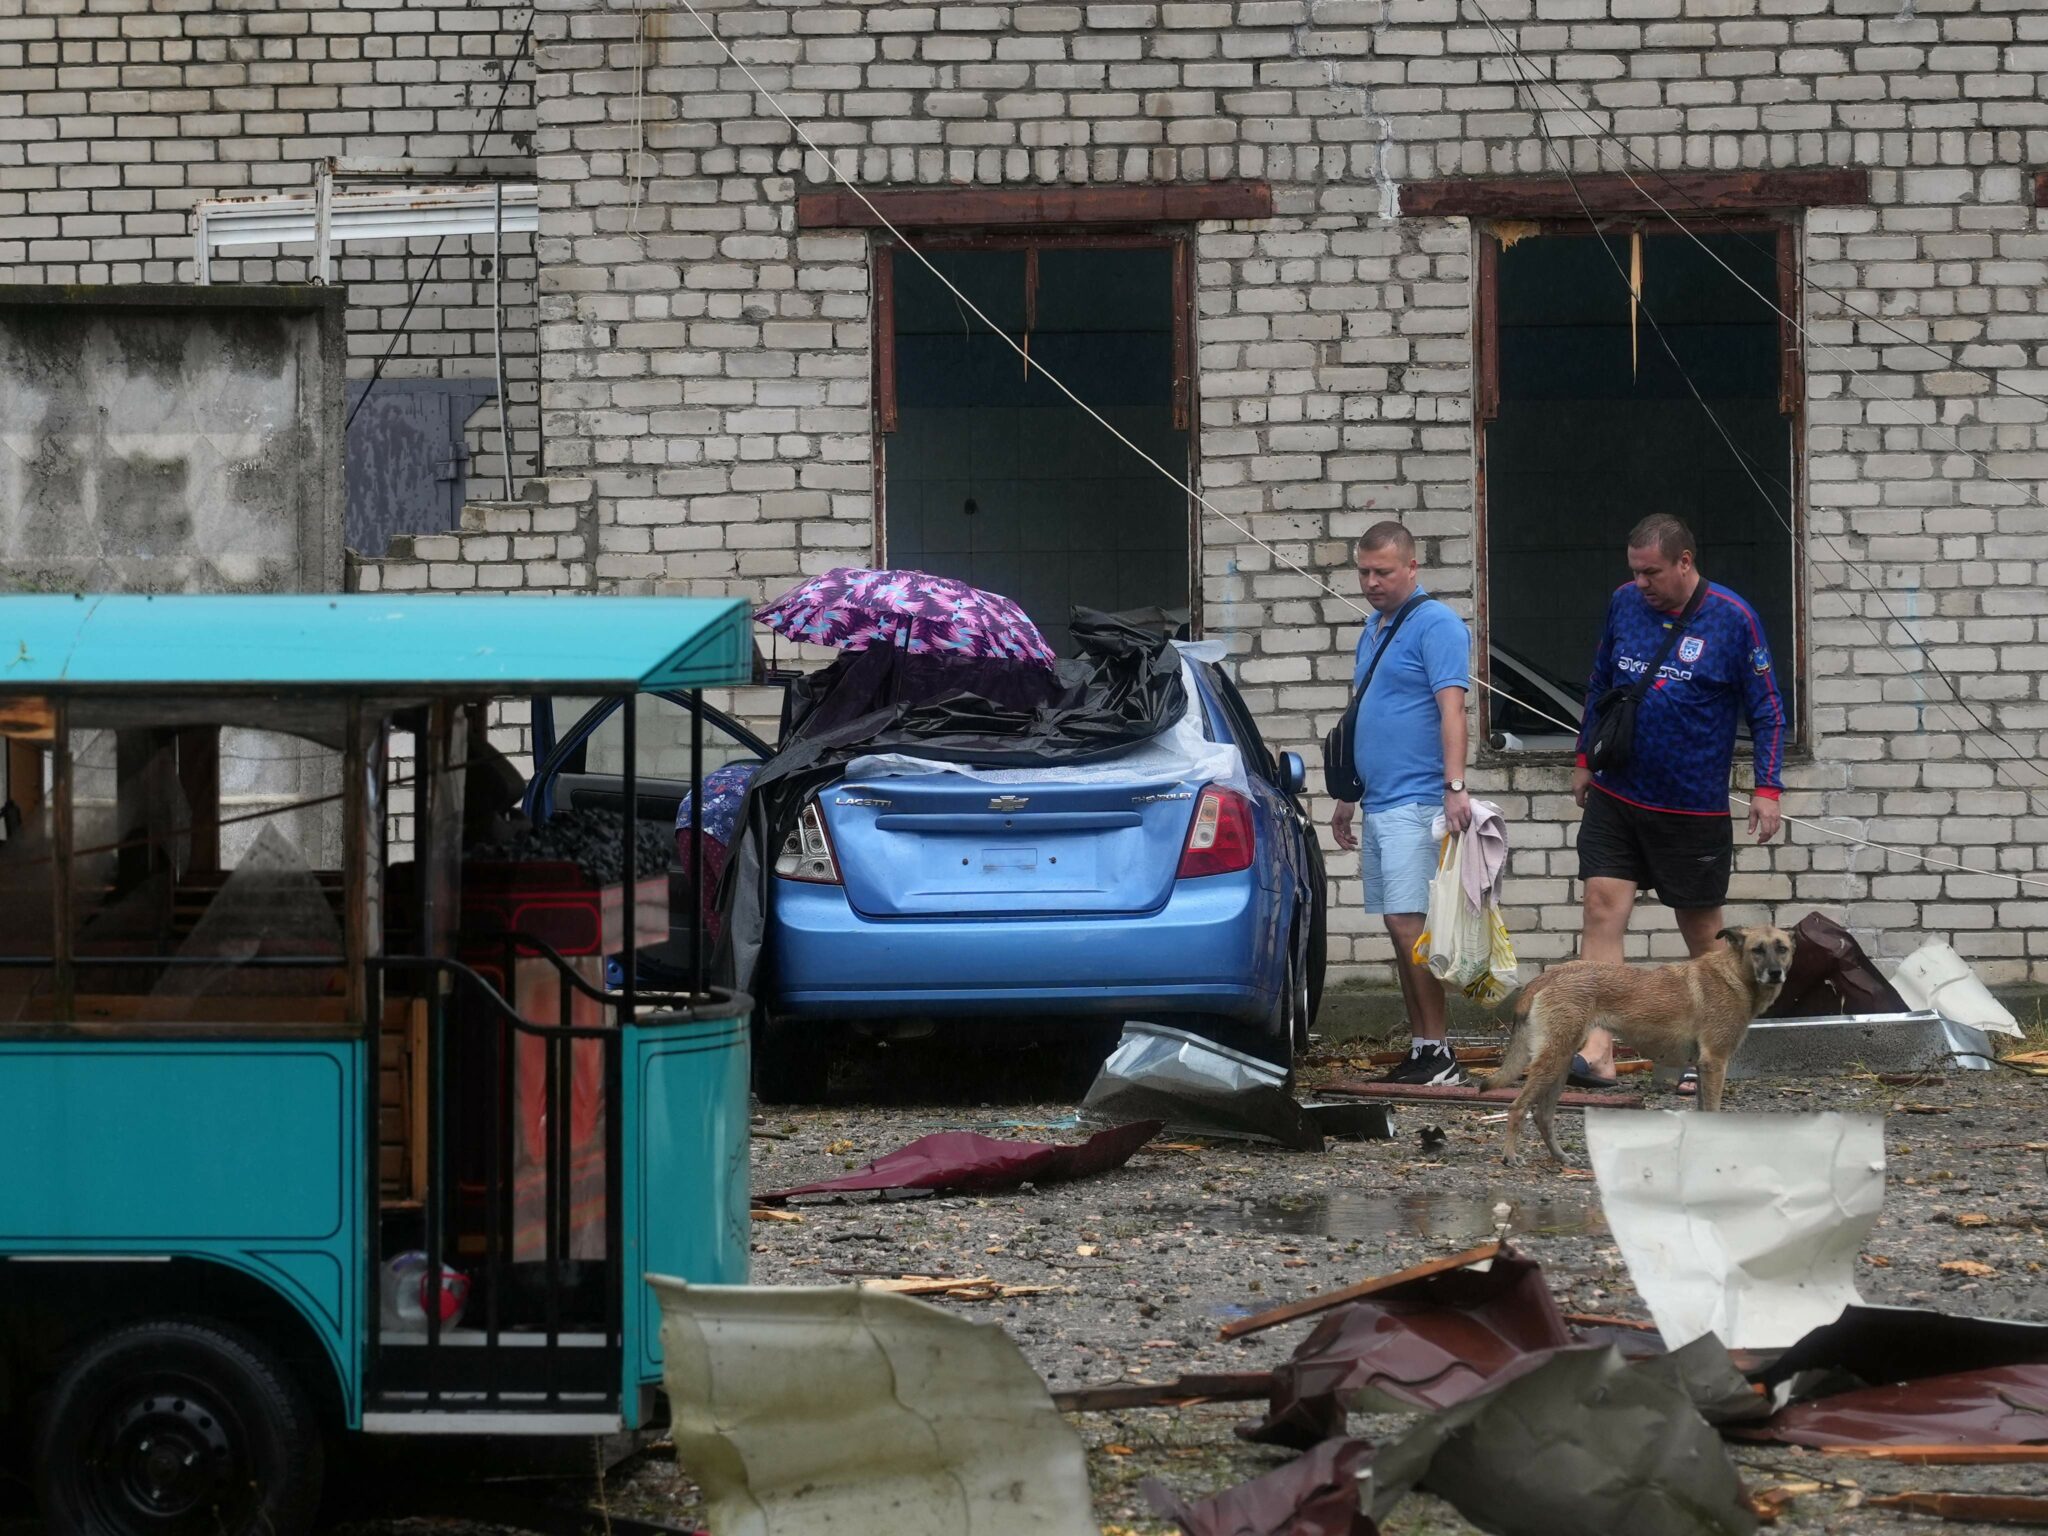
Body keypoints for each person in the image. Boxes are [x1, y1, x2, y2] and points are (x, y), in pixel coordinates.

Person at [1569, 514, 1785, 1091]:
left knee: (1706, 936)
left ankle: (1706, 1051)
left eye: (1652, 572)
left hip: (1691, 807)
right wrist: (1585, 757)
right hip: (1619, 794)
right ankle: (1598, 1047)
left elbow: (1766, 708)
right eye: (1635, 571)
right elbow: (1599, 682)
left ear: (1684, 563)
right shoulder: (1623, 602)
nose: (1641, 582)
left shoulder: (1733, 619)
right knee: (1600, 905)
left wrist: (1768, 788)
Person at [1330, 522, 1474, 1086]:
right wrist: (1348, 796)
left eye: (1383, 572)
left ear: (1412, 568)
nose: (1371, 582)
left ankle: (1440, 1052)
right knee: (1398, 926)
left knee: (1410, 923)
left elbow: (1452, 709)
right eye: (1364, 572)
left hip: (1418, 800)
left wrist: (1455, 787)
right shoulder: (1373, 627)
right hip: (1379, 801)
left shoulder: (1435, 623)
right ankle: (1422, 1047)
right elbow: (1370, 713)